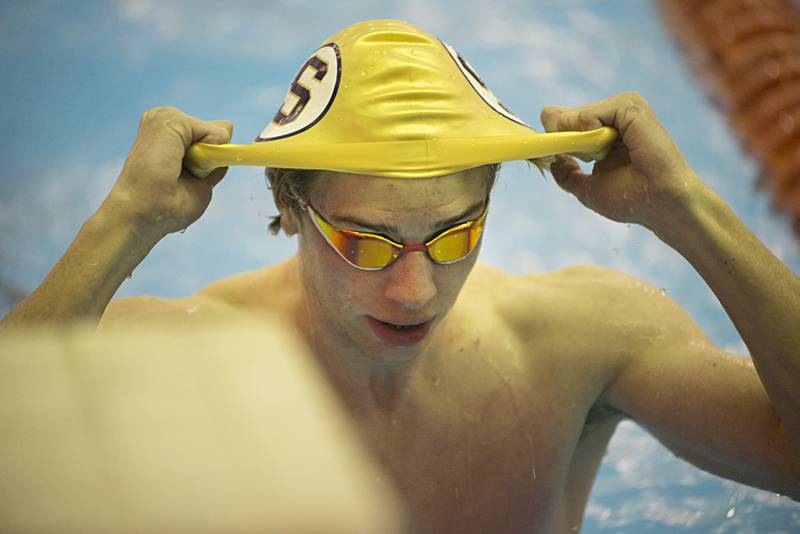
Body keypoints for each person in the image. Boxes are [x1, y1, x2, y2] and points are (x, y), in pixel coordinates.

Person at [2, 18, 799, 533]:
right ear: (287, 201)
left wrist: (689, 211)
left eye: (455, 234)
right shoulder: (179, 364)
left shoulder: (578, 343)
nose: (414, 291)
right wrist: (119, 228)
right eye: (368, 242)